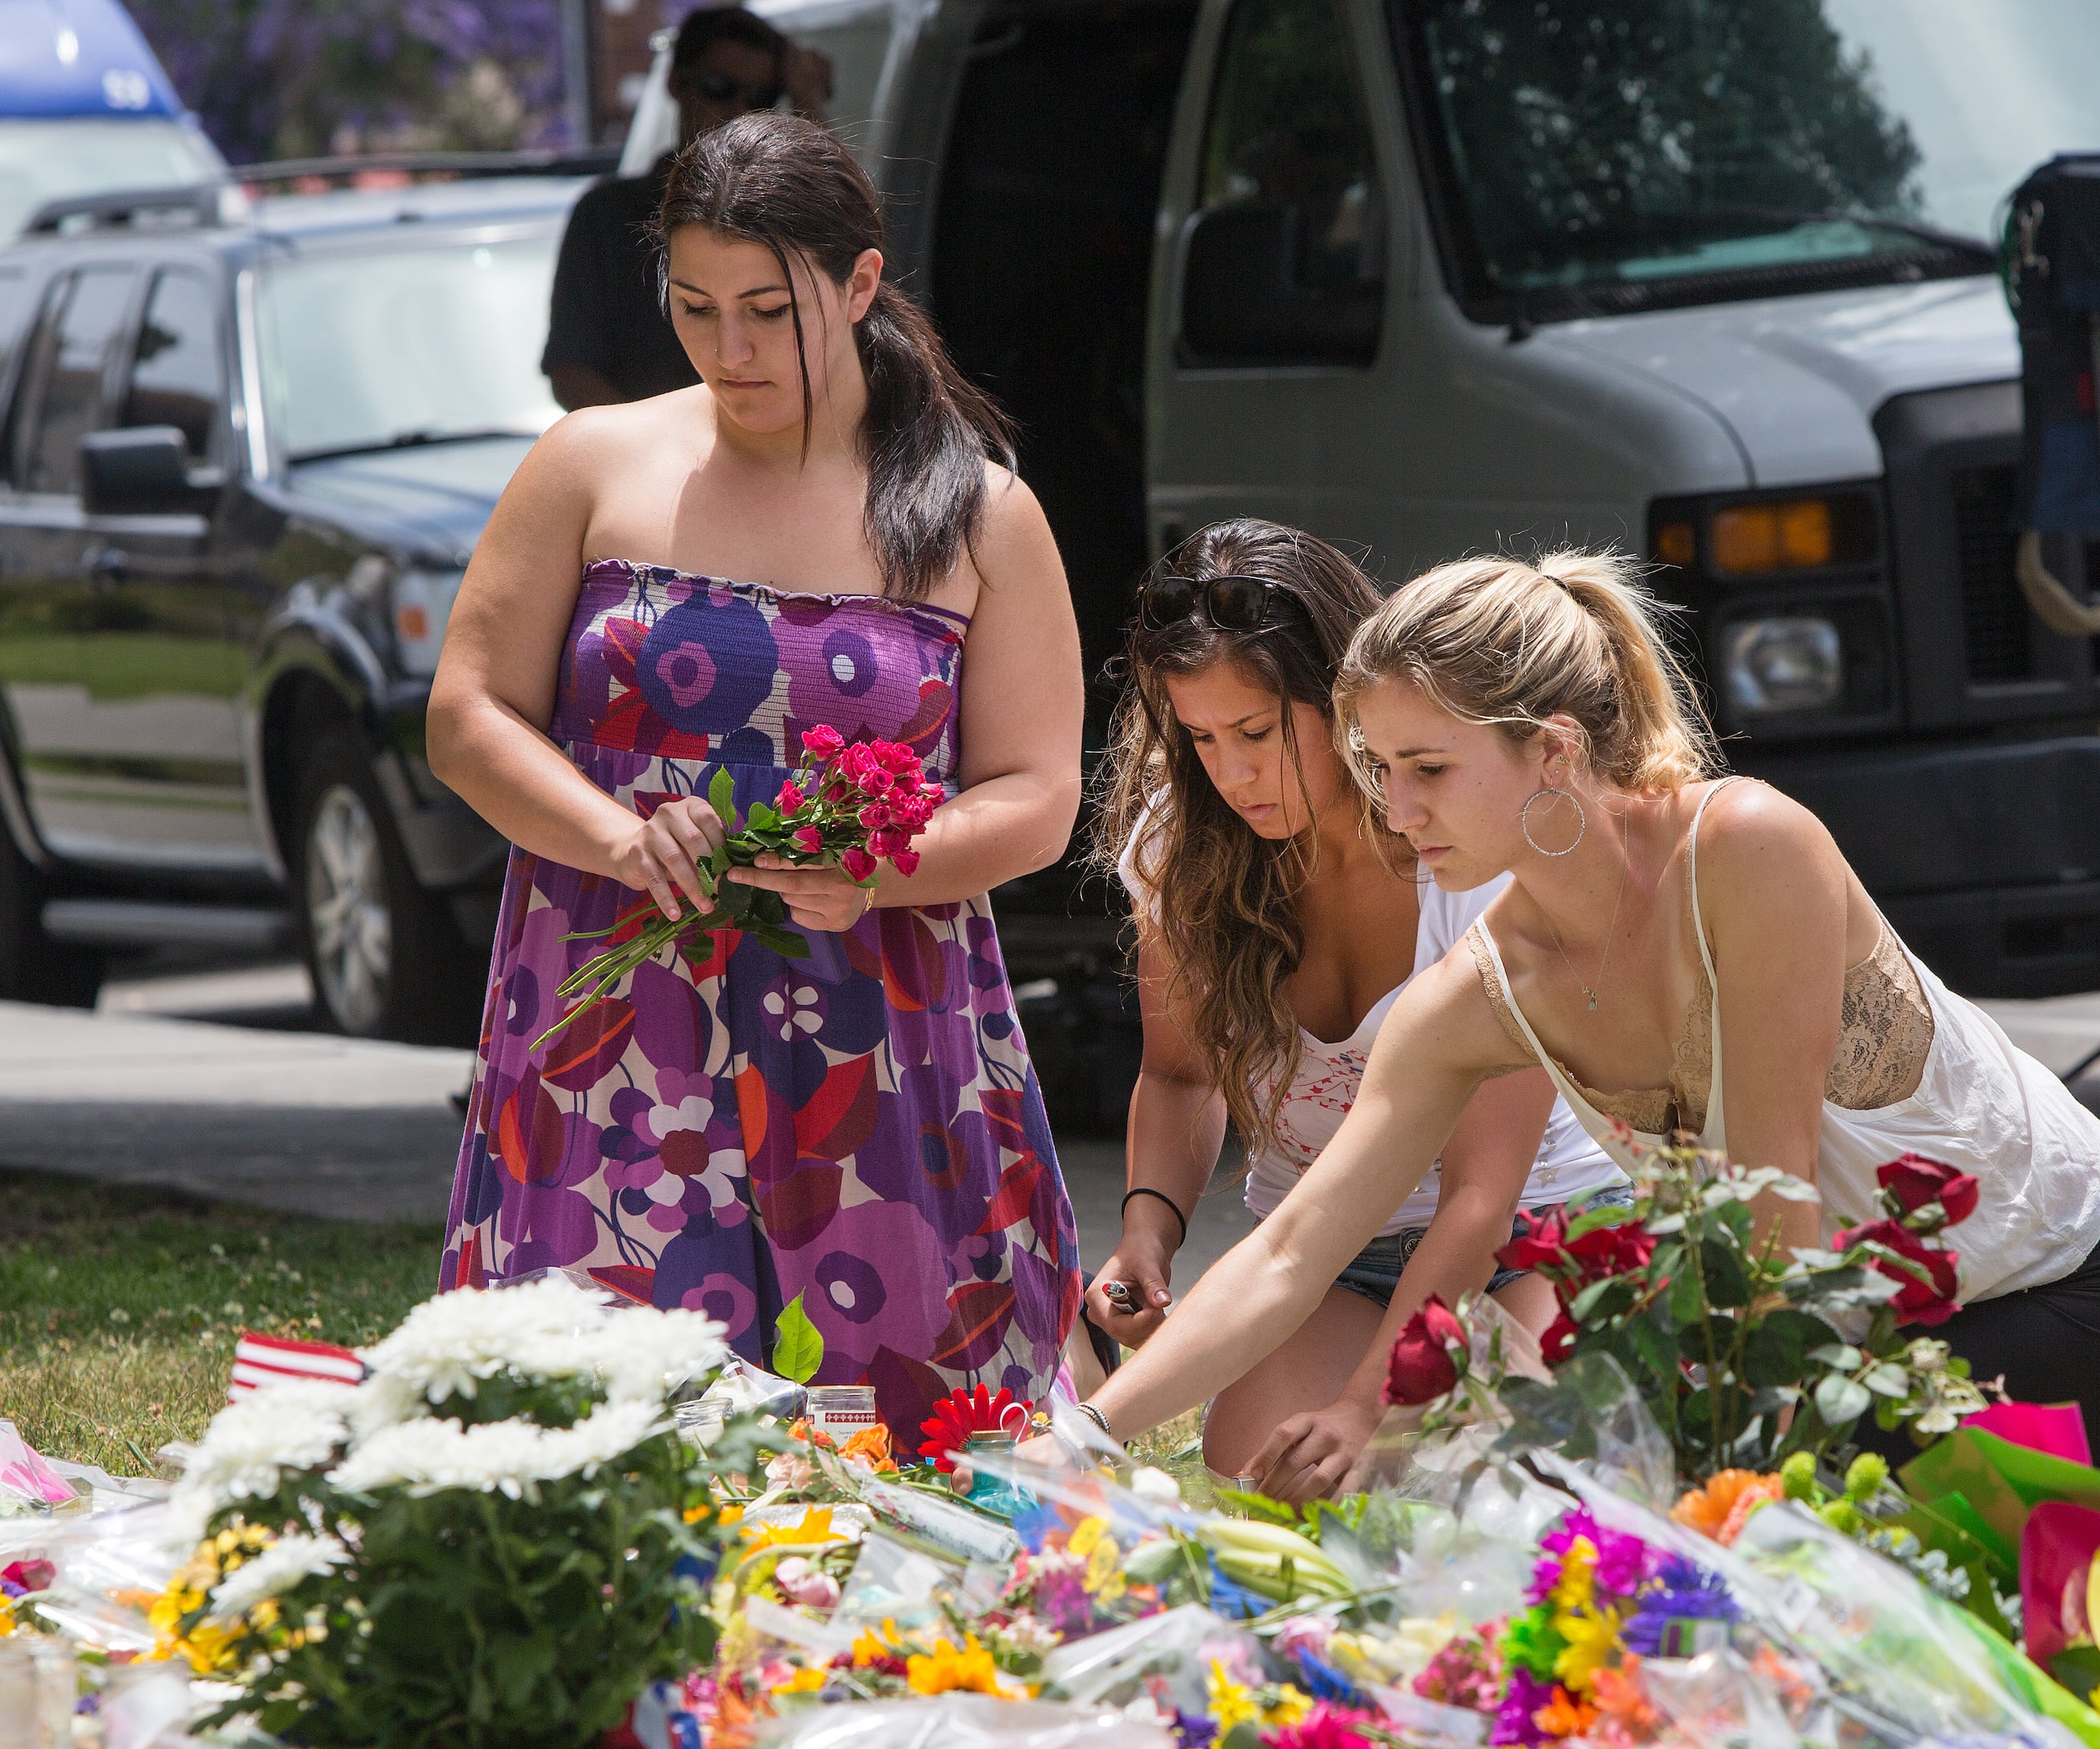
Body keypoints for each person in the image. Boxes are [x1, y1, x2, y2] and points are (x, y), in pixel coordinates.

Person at [1076, 550, 2100, 1578]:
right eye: (1378, 770)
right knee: (1611, 1512)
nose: (1397, 812)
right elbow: (1296, 1248)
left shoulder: (1748, 845)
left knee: (1700, 1526)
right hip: (1876, 1336)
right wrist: (1075, 1435)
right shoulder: (1482, 985)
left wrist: (1701, 1473)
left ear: (1555, 754)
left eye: (1426, 771)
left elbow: (1772, 1221)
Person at [427, 113, 1087, 1456]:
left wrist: (884, 868)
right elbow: (468, 714)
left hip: (877, 1036)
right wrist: (615, 838)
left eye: (769, 311)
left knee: (910, 1449)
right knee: (596, 1429)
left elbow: (1037, 792)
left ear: (857, 285)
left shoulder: (979, 513)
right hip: (613, 1020)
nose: (730, 352)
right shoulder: (591, 462)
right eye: (695, 308)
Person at [1083, 519, 1626, 1492]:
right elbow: (1177, 1071)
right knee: (1266, 1468)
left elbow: (1479, 1194)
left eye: (1258, 732)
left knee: (1497, 1480)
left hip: (1528, 1235)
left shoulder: (1468, 851)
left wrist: (1368, 1402)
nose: (1233, 772)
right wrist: (1147, 1232)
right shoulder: (1181, 846)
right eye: (1200, 739)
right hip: (1327, 1248)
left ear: (1346, 702)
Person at [542, 6, 835, 410]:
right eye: (718, 87)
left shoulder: (789, 212)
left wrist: (806, 100)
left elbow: (849, 255)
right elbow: (572, 371)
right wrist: (659, 450)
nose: (738, 109)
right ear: (676, 83)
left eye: (761, 98)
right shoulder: (606, 215)